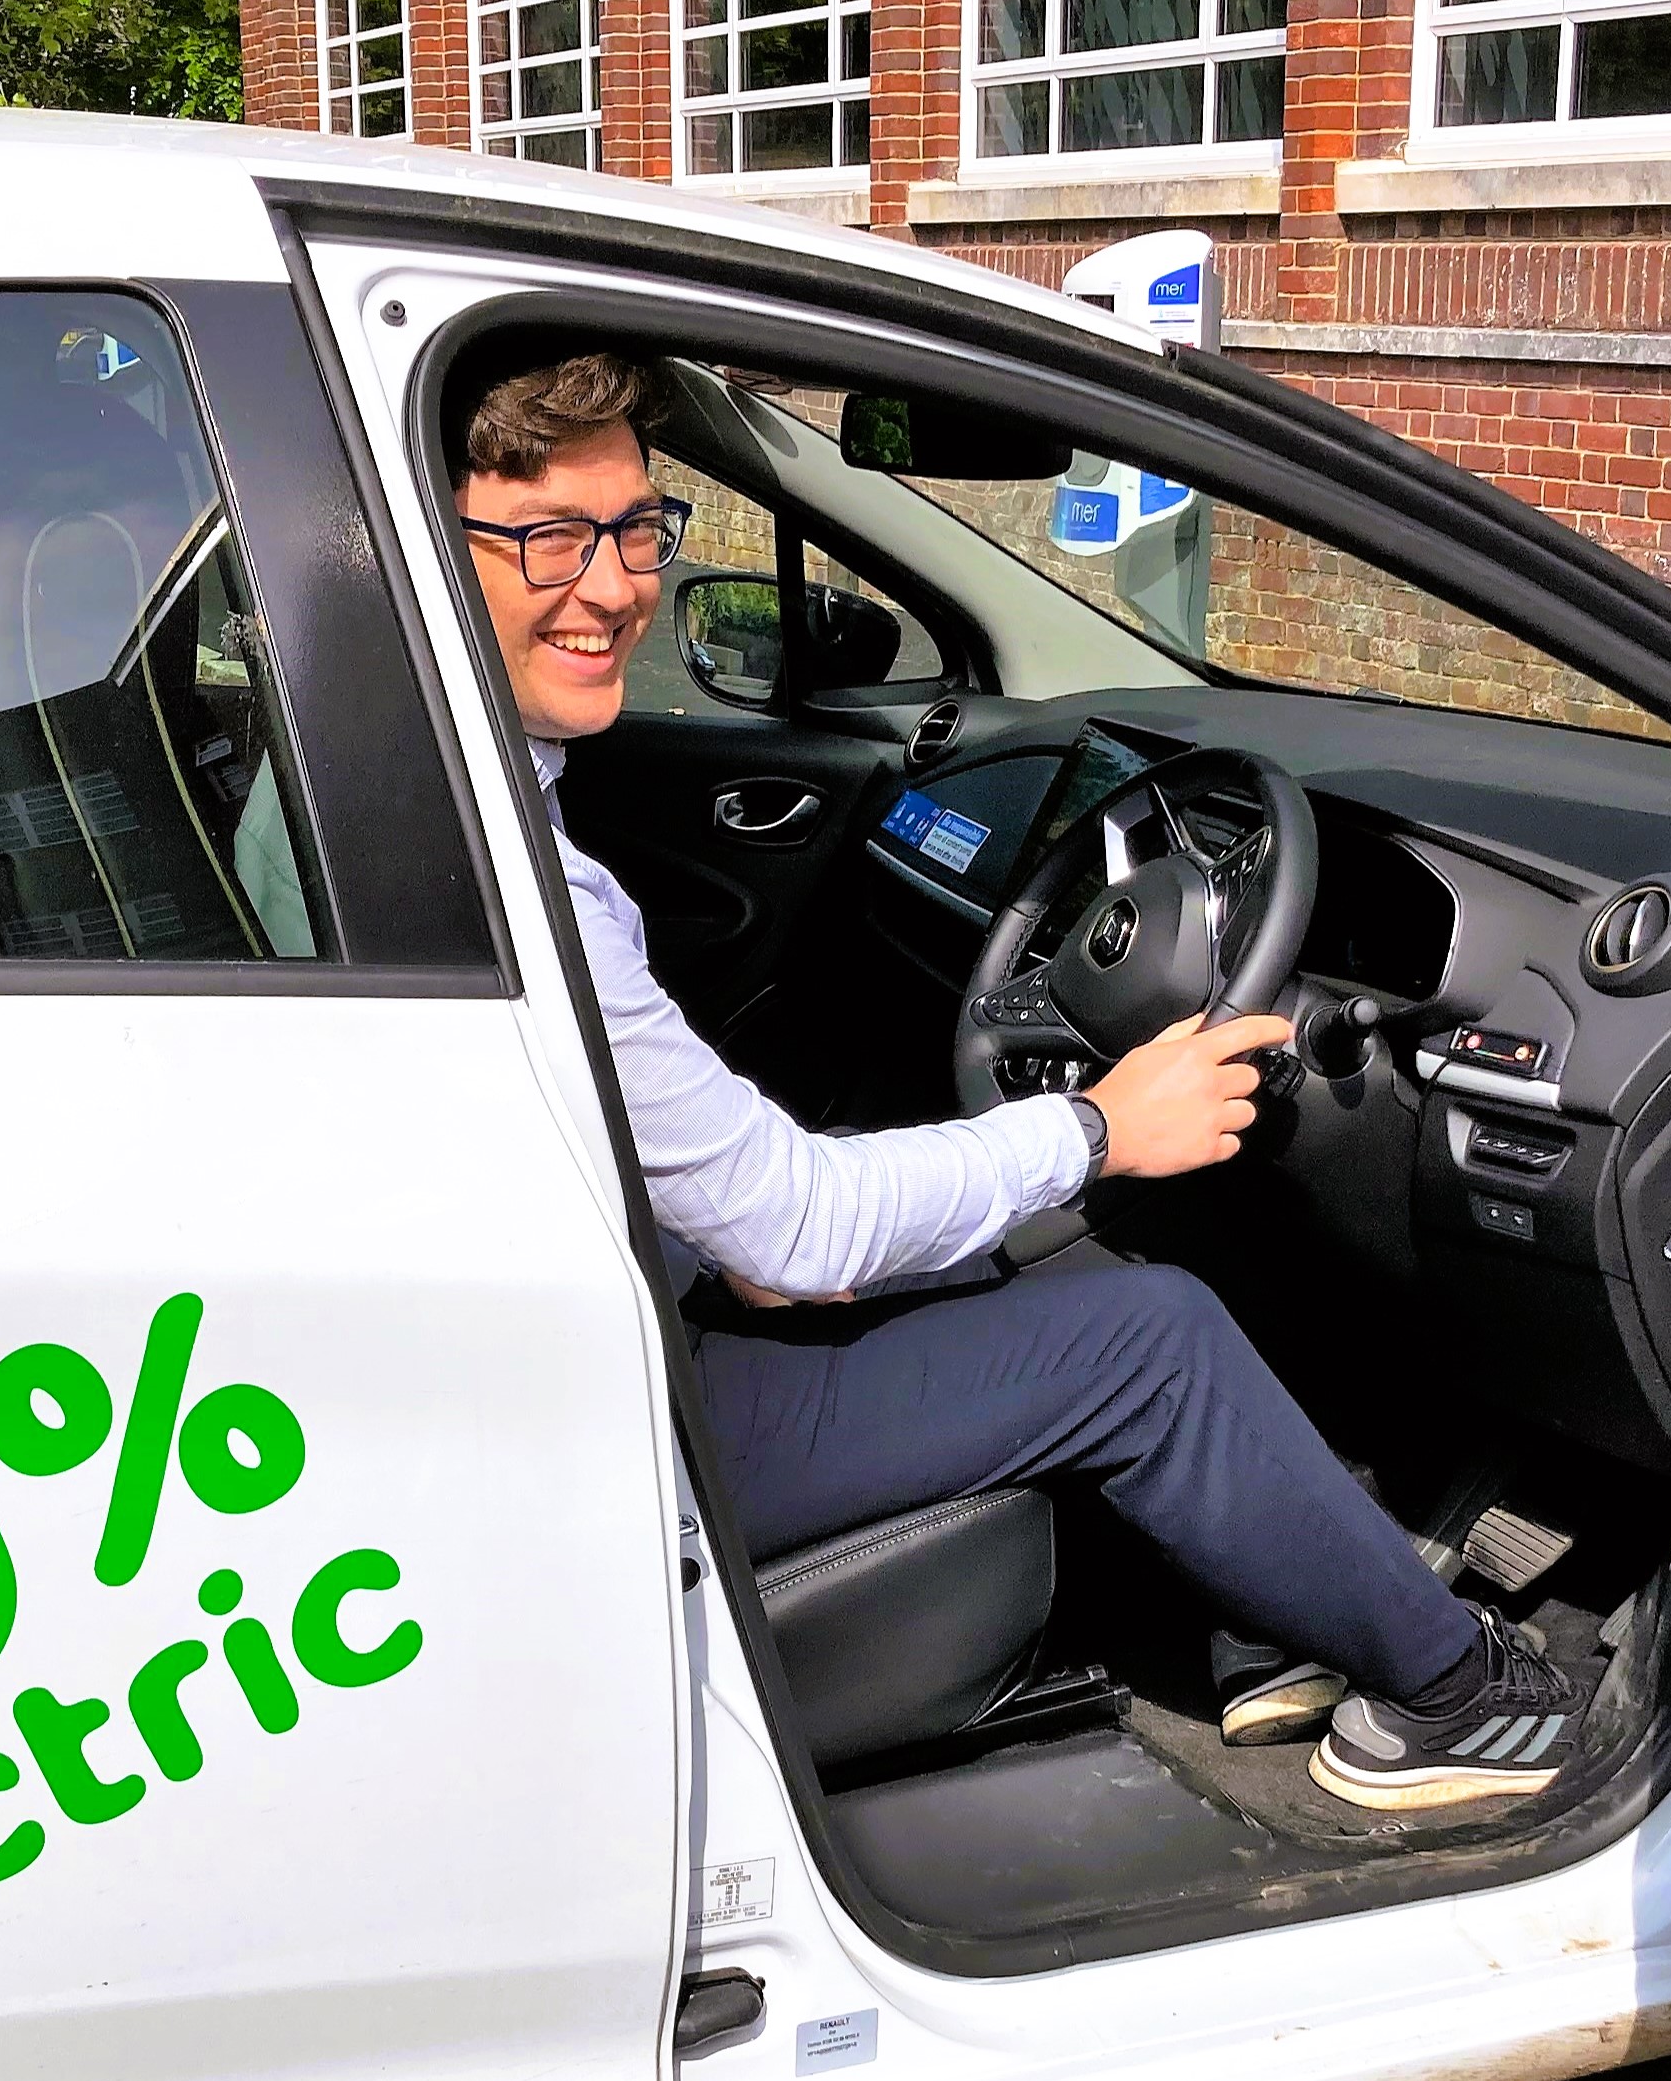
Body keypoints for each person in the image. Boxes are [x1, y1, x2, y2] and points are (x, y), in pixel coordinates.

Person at [453, 348, 1583, 1809]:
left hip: (598, 1349)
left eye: (637, 530)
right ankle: (1458, 1693)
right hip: (621, 1420)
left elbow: (639, 1177)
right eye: (549, 537)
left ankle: (1262, 1636)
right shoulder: (516, 878)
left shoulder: (457, 801)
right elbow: (800, 1224)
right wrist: (1105, 1123)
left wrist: (711, 1254)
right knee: (1145, 1333)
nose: (613, 586)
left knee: (1022, 1251)